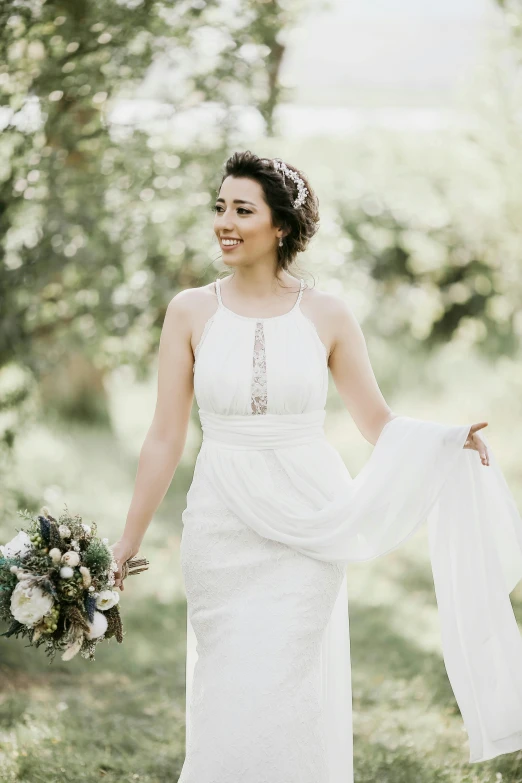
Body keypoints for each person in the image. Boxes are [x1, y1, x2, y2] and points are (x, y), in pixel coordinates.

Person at [110, 151, 522, 783]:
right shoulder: (190, 311)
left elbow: (376, 422)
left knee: (285, 684)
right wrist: (126, 542)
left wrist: (443, 442)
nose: (224, 221)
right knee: (226, 681)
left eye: (242, 210)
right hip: (219, 522)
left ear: (281, 226)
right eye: (219, 207)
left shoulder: (326, 313)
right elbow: (164, 436)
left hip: (309, 522)